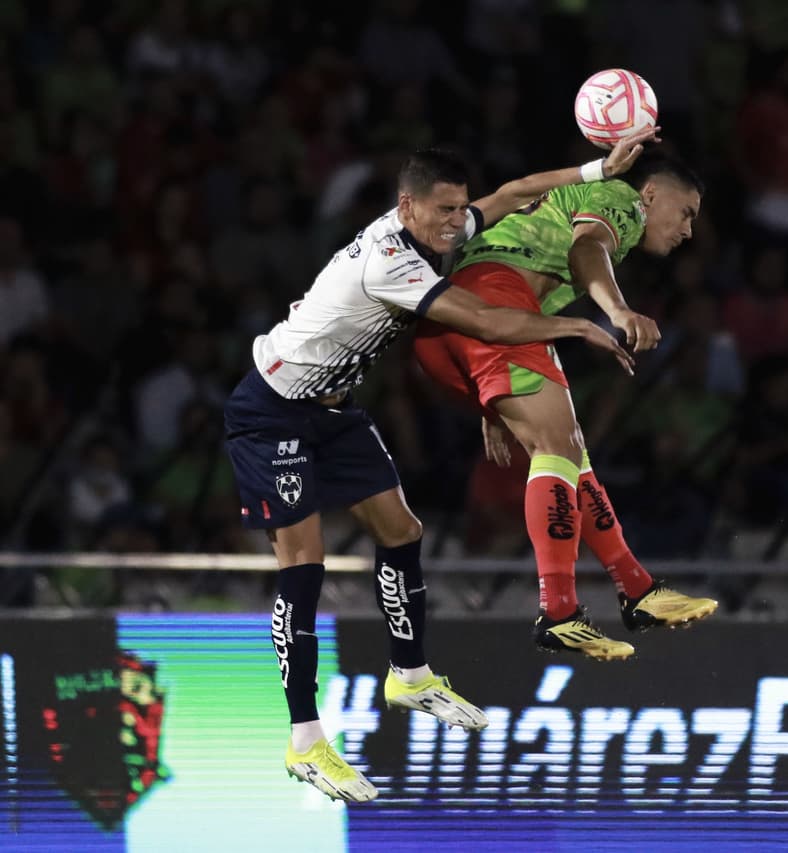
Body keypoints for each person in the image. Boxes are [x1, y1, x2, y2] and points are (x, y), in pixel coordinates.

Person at [223, 133, 652, 803]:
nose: (458, 223)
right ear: (407, 206)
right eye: (446, 211)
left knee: (402, 530)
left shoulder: (433, 230)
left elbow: (511, 195)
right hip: (272, 410)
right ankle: (305, 739)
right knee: (304, 563)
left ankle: (409, 674)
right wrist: (576, 327)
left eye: (460, 210)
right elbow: (485, 319)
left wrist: (597, 167)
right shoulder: (391, 261)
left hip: (333, 412)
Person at [412, 149, 718, 663]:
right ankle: (559, 611)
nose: (688, 230)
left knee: (572, 456)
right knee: (558, 450)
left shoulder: (574, 197)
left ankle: (637, 589)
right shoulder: (623, 200)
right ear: (651, 194)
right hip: (496, 303)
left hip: (450, 325)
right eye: (686, 212)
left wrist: (493, 410)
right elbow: (588, 249)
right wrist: (618, 310)